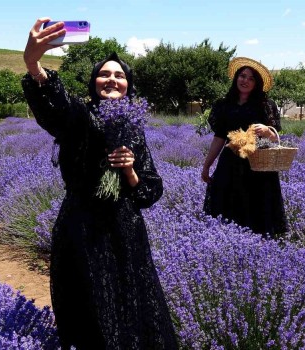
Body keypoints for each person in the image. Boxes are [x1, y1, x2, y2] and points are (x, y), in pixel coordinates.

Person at [21, 18, 178, 349]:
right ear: (94, 82)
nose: (112, 79)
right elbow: (57, 109)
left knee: (131, 305)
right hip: (83, 225)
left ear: (128, 85)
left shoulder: (134, 127)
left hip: (124, 229)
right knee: (89, 306)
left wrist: (131, 171)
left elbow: (151, 190)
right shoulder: (80, 116)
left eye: (119, 75)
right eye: (105, 74)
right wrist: (34, 64)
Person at [201, 57, 288, 239]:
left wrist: (266, 131)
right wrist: (207, 165)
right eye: (242, 76)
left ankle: (258, 248)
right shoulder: (223, 105)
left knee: (256, 207)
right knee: (228, 205)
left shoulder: (266, 105)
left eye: (251, 78)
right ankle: (228, 243)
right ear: (236, 78)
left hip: (257, 166)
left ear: (257, 83)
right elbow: (219, 138)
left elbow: (275, 138)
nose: (245, 81)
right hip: (230, 164)